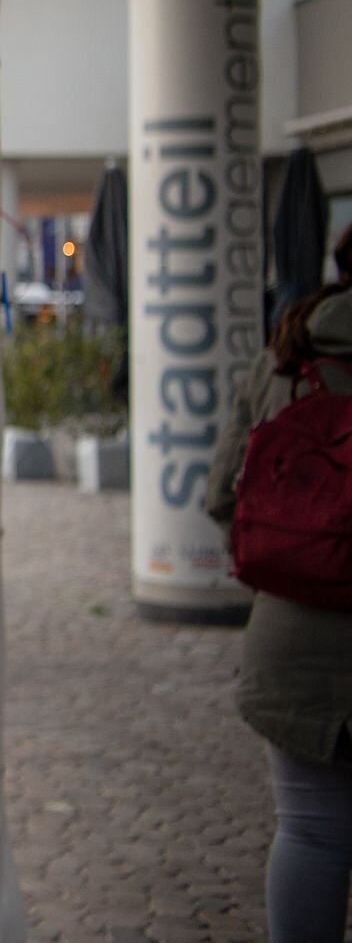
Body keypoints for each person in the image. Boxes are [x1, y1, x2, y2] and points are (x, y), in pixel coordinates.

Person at [207, 277, 352, 943]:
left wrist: (294, 569)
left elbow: (221, 497)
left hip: (288, 638)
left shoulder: (284, 357)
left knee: (311, 830)